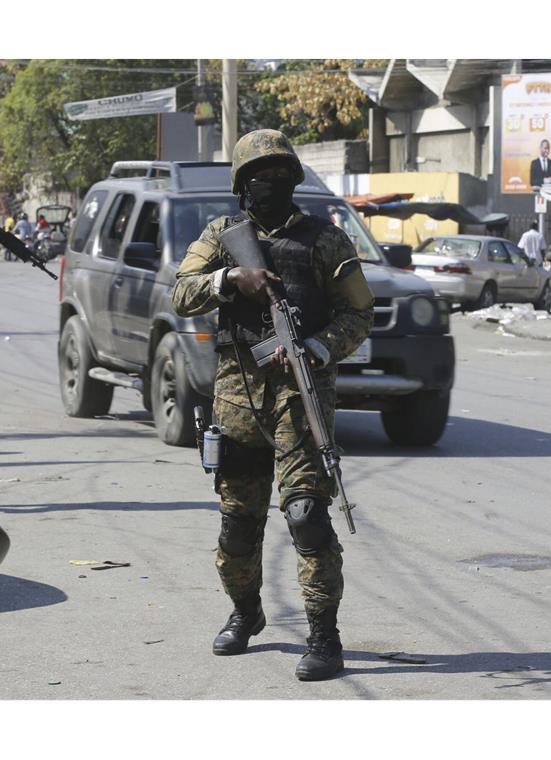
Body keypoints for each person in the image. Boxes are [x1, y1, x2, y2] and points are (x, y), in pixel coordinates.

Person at [171, 129, 374, 682]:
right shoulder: (221, 235)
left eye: (282, 174)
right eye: (261, 175)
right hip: (237, 392)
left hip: (300, 393)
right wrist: (230, 277)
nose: (272, 183)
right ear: (242, 184)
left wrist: (315, 346)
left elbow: (360, 313)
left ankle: (324, 636)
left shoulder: (324, 241)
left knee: (307, 515)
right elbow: (180, 291)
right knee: (238, 523)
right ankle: (245, 612)